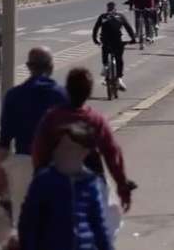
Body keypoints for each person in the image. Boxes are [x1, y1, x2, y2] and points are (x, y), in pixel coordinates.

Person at [32, 67, 135, 214]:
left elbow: (39, 152)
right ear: (89, 92)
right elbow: (112, 153)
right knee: (102, 223)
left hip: (57, 184)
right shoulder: (95, 120)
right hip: (91, 185)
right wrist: (122, 185)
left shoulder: (52, 118)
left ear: (67, 89)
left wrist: (39, 180)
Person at [0, 47, 68, 224]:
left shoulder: (14, 96)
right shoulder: (62, 95)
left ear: (28, 66)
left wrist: (0, 174)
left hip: (23, 167)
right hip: (55, 167)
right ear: (51, 66)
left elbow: (4, 142)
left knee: (24, 224)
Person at [18, 122, 112, 250]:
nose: (65, 153)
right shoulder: (44, 181)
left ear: (84, 152)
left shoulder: (91, 182)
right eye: (61, 148)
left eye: (71, 148)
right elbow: (29, 222)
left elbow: (98, 224)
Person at [92, 2, 136, 90]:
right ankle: (119, 79)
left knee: (105, 50)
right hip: (117, 41)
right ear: (115, 9)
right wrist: (133, 39)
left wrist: (95, 40)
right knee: (119, 59)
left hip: (106, 40)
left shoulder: (103, 16)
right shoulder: (120, 16)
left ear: (107, 9)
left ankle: (105, 67)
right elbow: (128, 28)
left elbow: (95, 29)